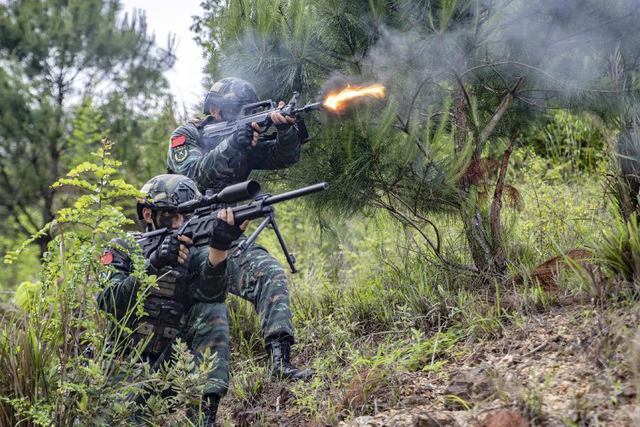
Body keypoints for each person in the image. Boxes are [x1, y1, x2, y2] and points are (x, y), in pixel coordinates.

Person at [166, 77, 314, 381]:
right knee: (179, 319)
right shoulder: (186, 136)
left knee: (269, 273)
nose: (235, 118)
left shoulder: (248, 140)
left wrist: (285, 128)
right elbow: (196, 175)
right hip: (182, 240)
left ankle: (279, 360)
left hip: (223, 233)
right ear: (216, 111)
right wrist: (233, 143)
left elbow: (286, 157)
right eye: (233, 111)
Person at [98, 174, 246, 426]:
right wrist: (153, 264)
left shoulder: (195, 252)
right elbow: (109, 303)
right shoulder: (122, 248)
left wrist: (219, 247)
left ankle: (204, 416)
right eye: (169, 214)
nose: (179, 224)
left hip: (174, 369)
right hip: (126, 372)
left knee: (213, 310)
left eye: (185, 216)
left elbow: (212, 297)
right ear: (148, 214)